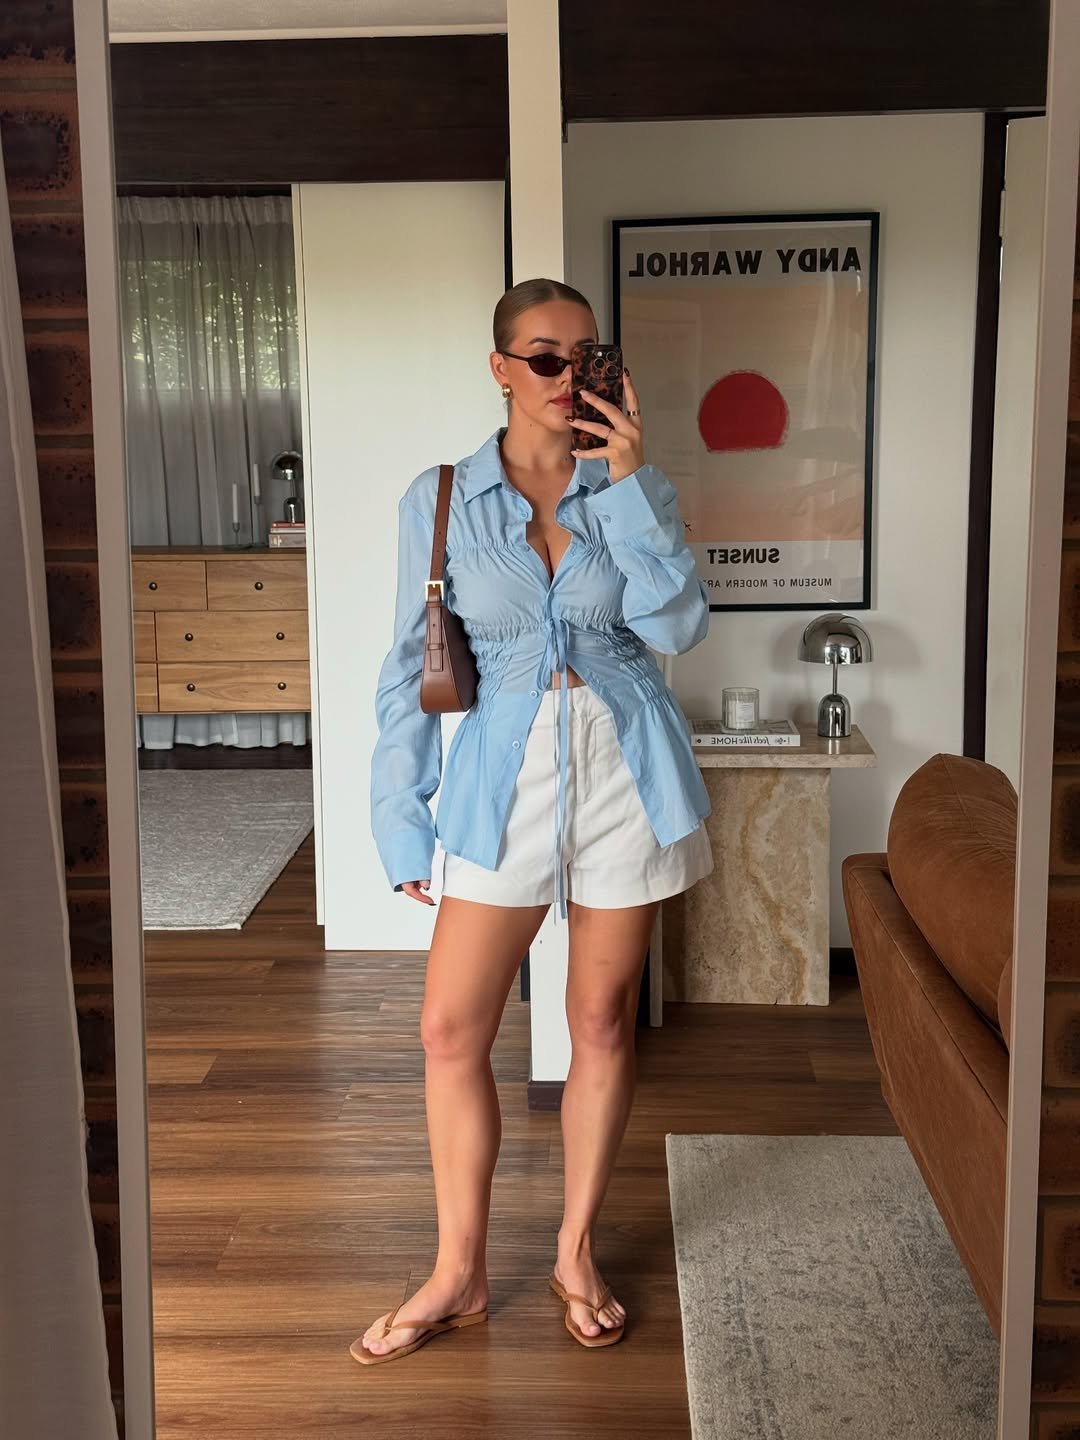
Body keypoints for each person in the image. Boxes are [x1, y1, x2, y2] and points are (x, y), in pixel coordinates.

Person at [354, 278, 714, 1363]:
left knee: (600, 1022)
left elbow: (679, 628)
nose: (568, 377)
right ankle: (457, 1271)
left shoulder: (633, 484)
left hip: (626, 765)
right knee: (449, 1030)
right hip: (501, 773)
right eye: (546, 357)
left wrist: (629, 483)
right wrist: (400, 815)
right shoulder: (442, 498)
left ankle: (574, 1250)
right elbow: (406, 664)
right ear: (501, 368)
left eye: (587, 357)